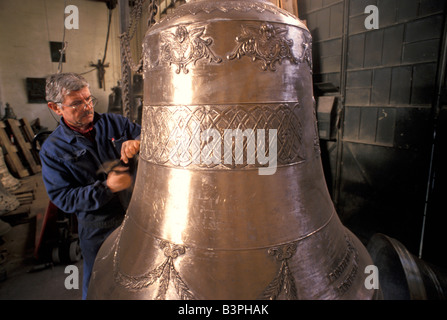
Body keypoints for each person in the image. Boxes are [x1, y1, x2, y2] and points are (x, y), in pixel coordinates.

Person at [40, 72, 141, 299]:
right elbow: (64, 198)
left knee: (141, 276)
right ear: (55, 108)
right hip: (99, 227)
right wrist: (107, 188)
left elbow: (153, 136)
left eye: (88, 99)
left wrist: (139, 141)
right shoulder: (53, 150)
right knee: (99, 283)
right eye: (77, 103)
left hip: (136, 217)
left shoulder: (115, 124)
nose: (87, 107)